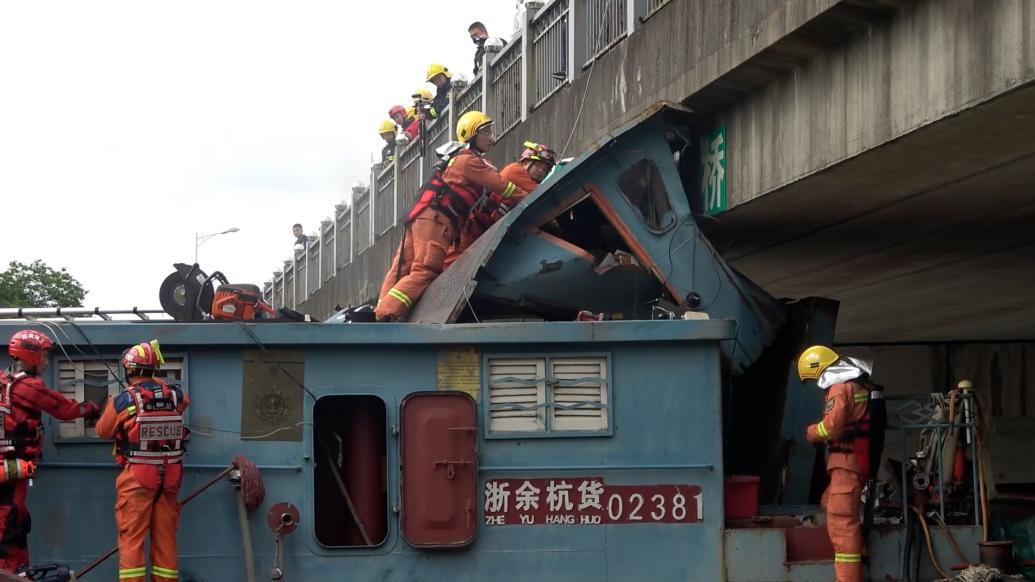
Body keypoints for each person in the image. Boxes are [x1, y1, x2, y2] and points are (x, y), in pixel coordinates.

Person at [375, 111, 524, 321]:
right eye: (486, 132)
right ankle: (387, 314)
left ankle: (380, 310)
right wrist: (529, 196)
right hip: (437, 221)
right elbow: (503, 186)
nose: (491, 136)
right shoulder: (469, 161)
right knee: (425, 270)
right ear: (471, 135)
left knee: (401, 267)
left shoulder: (455, 160)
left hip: (419, 216)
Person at [0, 329, 101, 571]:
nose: (46, 362)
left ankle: (21, 570)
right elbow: (64, 409)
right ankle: (10, 573)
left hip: (8, 465)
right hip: (13, 468)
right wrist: (93, 408)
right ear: (30, 356)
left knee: (19, 521)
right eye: (43, 357)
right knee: (9, 523)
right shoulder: (28, 387)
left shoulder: (5, 382)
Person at [97, 340, 189, 582]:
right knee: (166, 540)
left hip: (137, 477)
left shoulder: (124, 400)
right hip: (170, 476)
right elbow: (182, 402)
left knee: (132, 541)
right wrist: (159, 384)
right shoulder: (176, 396)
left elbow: (103, 432)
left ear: (129, 370)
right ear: (155, 370)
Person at [799, 345, 875, 582]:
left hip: (846, 463)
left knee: (842, 524)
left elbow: (831, 427)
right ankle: (859, 554)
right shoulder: (857, 383)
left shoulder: (840, 387)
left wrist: (811, 432)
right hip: (851, 462)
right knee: (829, 503)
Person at [443, 141, 555, 269]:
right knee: (451, 267)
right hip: (474, 229)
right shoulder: (516, 170)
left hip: (484, 231)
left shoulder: (524, 178)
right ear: (526, 161)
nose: (541, 171)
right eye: (539, 166)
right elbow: (540, 195)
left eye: (545, 170)